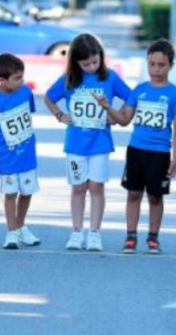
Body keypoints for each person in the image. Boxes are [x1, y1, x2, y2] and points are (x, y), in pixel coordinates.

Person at [44, 33, 131, 252]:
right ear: (76, 62)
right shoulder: (70, 80)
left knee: (96, 187)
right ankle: (76, 232)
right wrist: (60, 114)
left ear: (101, 57)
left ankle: (94, 232)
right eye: (86, 64)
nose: (92, 67)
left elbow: (132, 96)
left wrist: (117, 114)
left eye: (95, 61)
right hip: (75, 144)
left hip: (100, 144)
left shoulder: (109, 77)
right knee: (78, 188)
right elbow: (48, 97)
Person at [106, 39, 176, 254]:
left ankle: (153, 237)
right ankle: (131, 236)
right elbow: (124, 120)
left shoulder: (175, 94)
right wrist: (107, 107)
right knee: (133, 194)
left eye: (161, 65)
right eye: (152, 64)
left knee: (155, 196)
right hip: (136, 150)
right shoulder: (139, 90)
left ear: (170, 66)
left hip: (159, 153)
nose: (156, 69)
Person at [0, 54, 41, 250]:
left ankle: (21, 226)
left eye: (22, 76)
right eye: (17, 78)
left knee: (27, 192)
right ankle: (11, 232)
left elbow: (28, 117)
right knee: (10, 193)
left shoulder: (25, 92)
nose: (22, 81)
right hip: (6, 157)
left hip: (26, 155)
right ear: (1, 80)